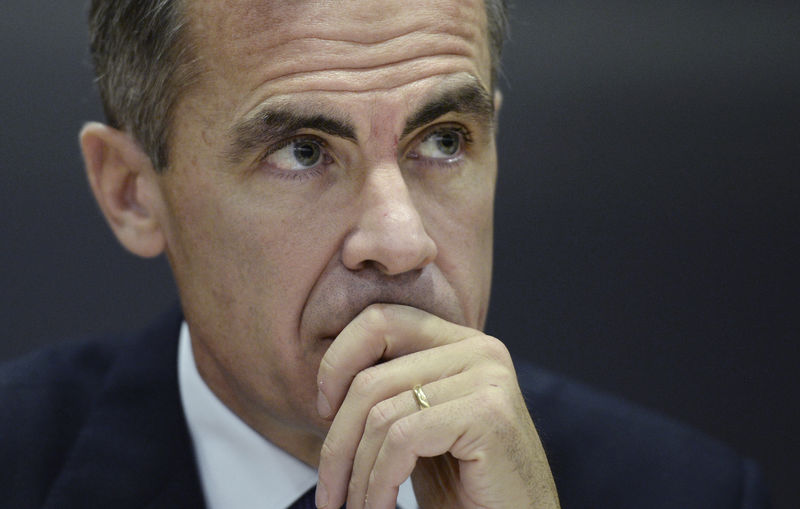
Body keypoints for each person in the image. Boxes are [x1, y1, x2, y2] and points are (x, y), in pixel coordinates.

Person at [0, 1, 769, 508]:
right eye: (303, 151)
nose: (402, 242)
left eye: (443, 140)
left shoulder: (694, 491)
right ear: (132, 191)